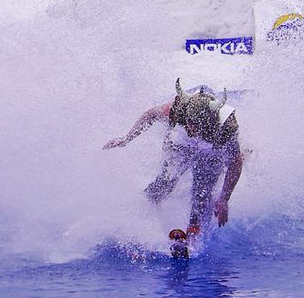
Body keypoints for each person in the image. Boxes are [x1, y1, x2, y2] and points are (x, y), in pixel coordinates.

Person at [104, 82, 243, 237]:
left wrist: (224, 199)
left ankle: (195, 228)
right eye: (191, 123)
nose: (194, 129)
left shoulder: (226, 126)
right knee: (166, 180)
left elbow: (235, 164)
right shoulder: (180, 109)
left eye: (199, 125)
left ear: (209, 120)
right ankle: (146, 204)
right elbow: (150, 114)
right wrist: (126, 138)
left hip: (212, 150)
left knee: (202, 189)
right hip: (184, 144)